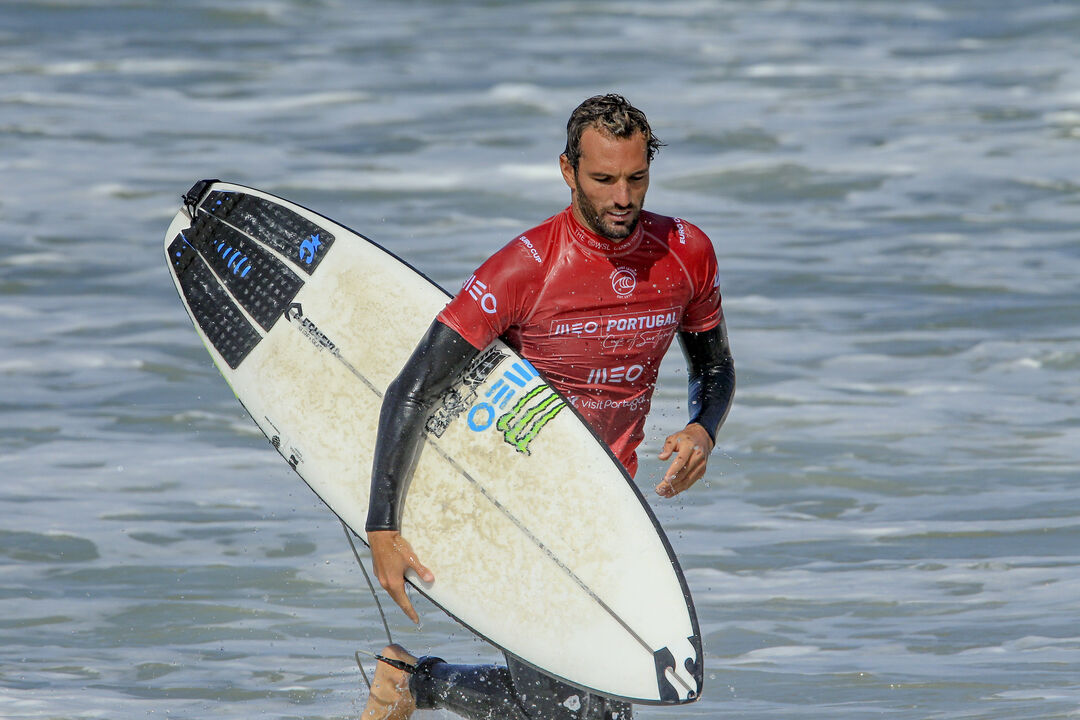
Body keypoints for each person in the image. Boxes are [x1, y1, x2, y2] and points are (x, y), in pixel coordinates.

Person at [362, 94, 735, 720]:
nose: (622, 197)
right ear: (568, 171)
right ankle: (416, 684)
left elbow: (715, 367)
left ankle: (410, 685)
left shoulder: (685, 251)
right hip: (515, 506)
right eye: (604, 179)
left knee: (601, 707)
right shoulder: (525, 268)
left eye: (636, 178)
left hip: (609, 509)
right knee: (572, 710)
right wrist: (382, 528)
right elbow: (413, 388)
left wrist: (703, 428)